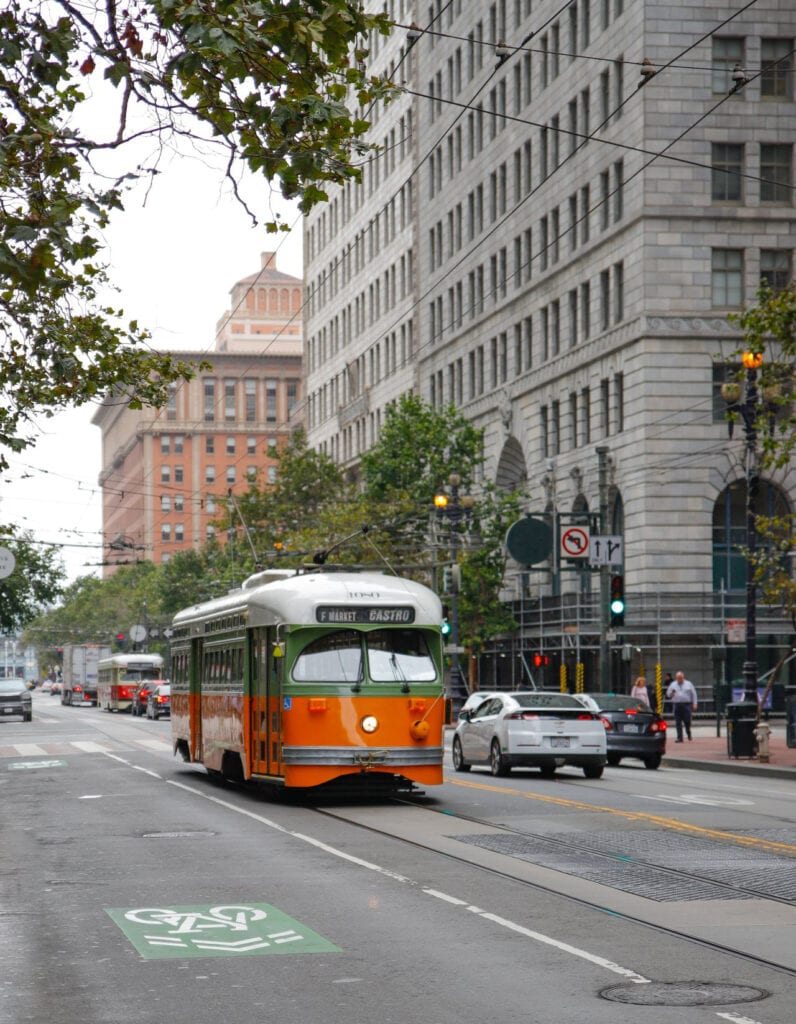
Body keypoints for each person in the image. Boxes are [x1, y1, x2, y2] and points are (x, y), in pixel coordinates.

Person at [666, 670, 698, 741]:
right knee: (678, 722)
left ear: (683, 677)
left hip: (686, 705)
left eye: (681, 678)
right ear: (676, 678)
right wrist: (672, 693)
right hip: (676, 705)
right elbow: (668, 694)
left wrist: (695, 703)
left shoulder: (688, 684)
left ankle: (688, 731)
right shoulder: (673, 684)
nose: (680, 679)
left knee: (687, 720)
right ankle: (679, 738)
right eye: (678, 678)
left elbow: (694, 694)